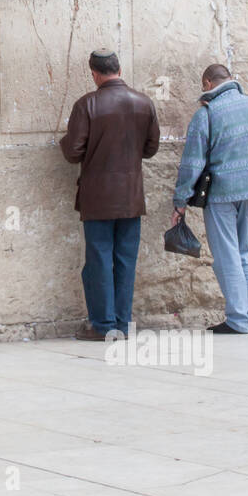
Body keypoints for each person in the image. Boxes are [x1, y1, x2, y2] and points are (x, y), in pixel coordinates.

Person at [60, 49, 160, 340]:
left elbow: (73, 151)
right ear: (118, 68)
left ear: (94, 73)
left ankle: (103, 326)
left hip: (98, 197)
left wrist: (64, 142)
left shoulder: (87, 105)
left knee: (99, 260)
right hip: (131, 196)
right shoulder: (144, 102)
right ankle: (123, 323)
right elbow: (151, 148)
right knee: (125, 261)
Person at [171, 64, 248, 334]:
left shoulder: (207, 114)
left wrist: (180, 200)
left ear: (207, 82)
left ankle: (238, 320)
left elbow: (192, 163)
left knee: (226, 254)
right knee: (244, 251)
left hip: (222, 191)